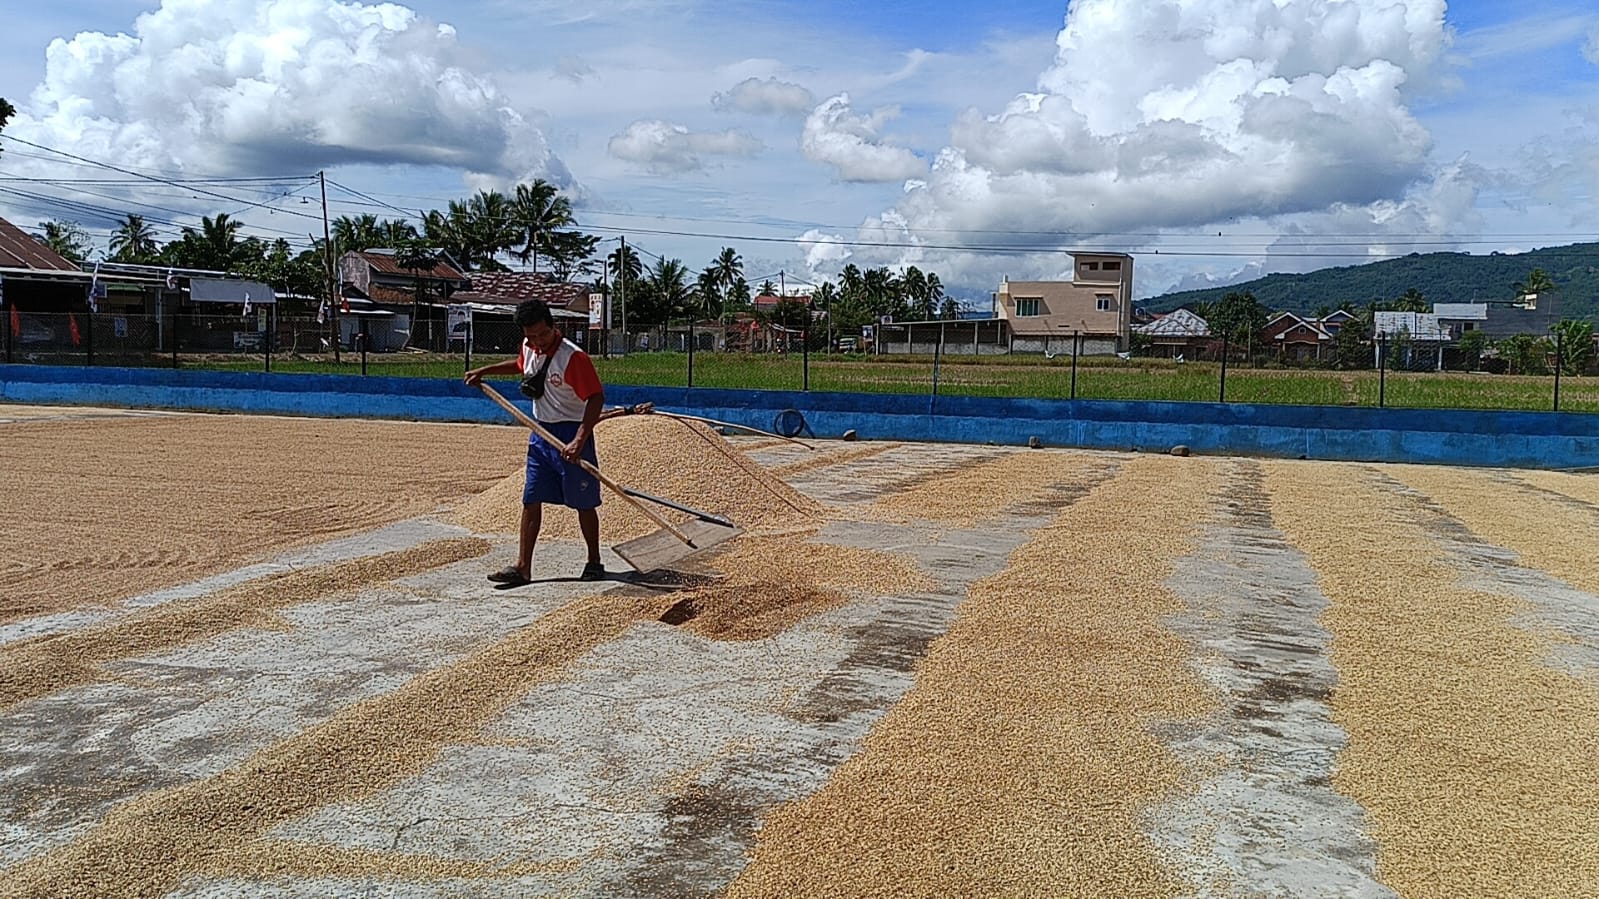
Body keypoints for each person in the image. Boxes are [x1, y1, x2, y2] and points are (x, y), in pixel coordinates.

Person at [465, 300, 606, 585]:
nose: (537, 341)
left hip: (571, 433)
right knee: (531, 498)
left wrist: (580, 438)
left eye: (542, 334)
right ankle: (523, 567)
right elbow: (520, 366)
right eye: (531, 336)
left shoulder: (573, 358)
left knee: (583, 502)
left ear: (554, 326)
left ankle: (594, 560)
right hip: (541, 434)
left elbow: (595, 398)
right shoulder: (529, 348)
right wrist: (485, 371)